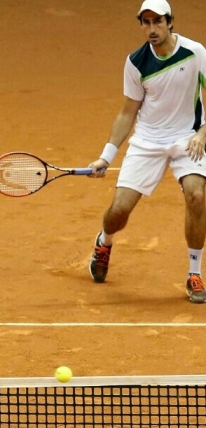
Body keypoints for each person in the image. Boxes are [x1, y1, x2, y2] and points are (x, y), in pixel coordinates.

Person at [88, 0, 206, 303]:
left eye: (157, 22)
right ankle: (104, 242)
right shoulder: (136, 62)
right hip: (148, 141)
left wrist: (203, 133)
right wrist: (107, 155)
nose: (151, 29)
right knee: (118, 212)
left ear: (170, 22)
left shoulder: (196, 53)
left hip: (188, 137)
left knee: (197, 195)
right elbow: (128, 112)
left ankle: (195, 272)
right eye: (145, 22)